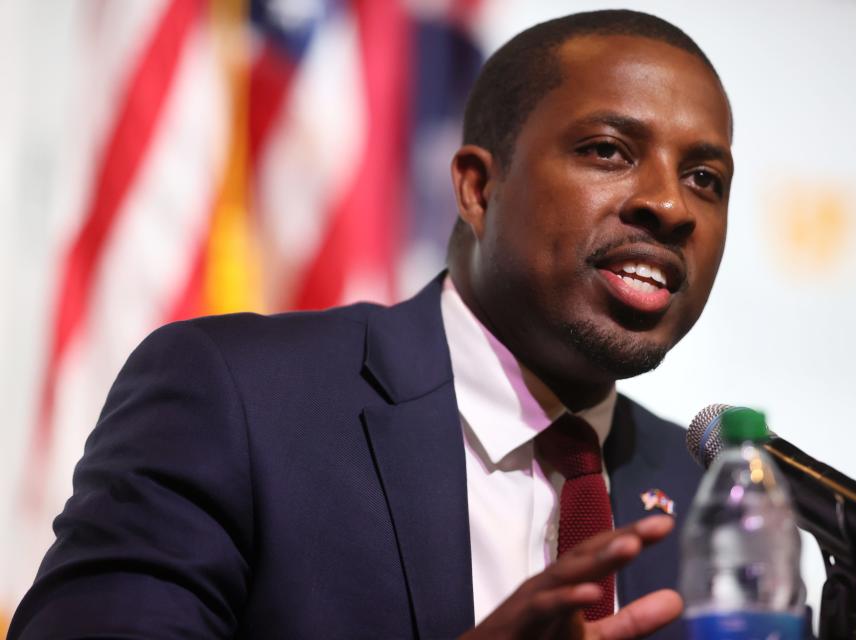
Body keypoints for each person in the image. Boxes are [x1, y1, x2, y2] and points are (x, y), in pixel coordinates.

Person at [9, 9, 733, 640]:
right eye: (608, 150)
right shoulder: (238, 400)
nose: (672, 207)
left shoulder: (713, 500)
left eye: (706, 178)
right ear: (479, 189)